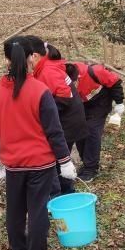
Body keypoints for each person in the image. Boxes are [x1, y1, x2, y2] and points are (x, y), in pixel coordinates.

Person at [0, 37, 77, 250]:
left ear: (6, 59)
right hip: (41, 163)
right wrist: (65, 161)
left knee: (14, 210)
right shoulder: (39, 90)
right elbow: (54, 131)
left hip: (12, 163)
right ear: (30, 57)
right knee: (37, 210)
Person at [32, 41, 87, 194]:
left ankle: (63, 194)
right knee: (60, 159)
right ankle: (64, 191)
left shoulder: (47, 71)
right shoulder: (46, 67)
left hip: (68, 122)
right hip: (70, 120)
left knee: (57, 160)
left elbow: (65, 95)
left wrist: (45, 113)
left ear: (35, 56)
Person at [71, 60, 125, 182]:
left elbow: (115, 82)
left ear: (78, 77)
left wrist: (119, 102)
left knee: (91, 131)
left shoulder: (96, 72)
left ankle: (91, 168)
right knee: (79, 131)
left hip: (100, 102)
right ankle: (86, 163)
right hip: (81, 103)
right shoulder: (64, 79)